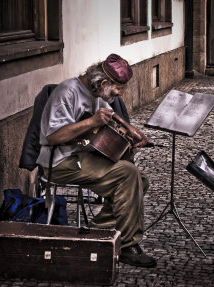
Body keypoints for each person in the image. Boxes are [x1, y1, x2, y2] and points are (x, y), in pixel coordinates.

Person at [36, 54, 157, 268]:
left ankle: (98, 231)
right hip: (59, 161)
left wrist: (134, 132)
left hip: (80, 156)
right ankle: (127, 244)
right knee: (128, 174)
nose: (119, 94)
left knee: (140, 179)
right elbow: (51, 136)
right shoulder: (68, 91)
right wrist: (91, 121)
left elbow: (114, 117)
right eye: (118, 88)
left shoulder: (96, 93)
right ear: (103, 83)